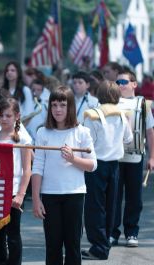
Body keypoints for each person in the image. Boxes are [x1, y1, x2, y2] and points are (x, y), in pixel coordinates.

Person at [31, 86, 97, 265]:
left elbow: (92, 165)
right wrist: (36, 198)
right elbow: (37, 167)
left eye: (62, 105)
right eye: (54, 105)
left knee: (73, 244)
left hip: (74, 194)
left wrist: (73, 158)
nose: (58, 109)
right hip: (50, 195)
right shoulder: (42, 132)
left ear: (70, 107)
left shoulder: (82, 131)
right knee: (53, 245)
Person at [81, 81, 133, 260]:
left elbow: (87, 143)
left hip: (97, 164)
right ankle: (105, 243)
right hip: (114, 165)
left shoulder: (92, 114)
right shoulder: (122, 115)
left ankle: (98, 246)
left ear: (99, 94)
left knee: (94, 207)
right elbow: (128, 139)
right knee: (111, 206)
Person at [111, 69, 154, 247]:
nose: (120, 85)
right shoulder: (111, 103)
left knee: (134, 198)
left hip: (135, 157)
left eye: (124, 82)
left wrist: (152, 157)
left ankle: (131, 232)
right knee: (113, 197)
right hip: (115, 157)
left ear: (134, 84)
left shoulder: (143, 104)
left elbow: (150, 132)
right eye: (118, 82)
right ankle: (112, 232)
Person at [0, 98, 32, 265]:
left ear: (17, 116)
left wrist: (21, 195)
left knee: (13, 234)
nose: (4, 119)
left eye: (8, 115)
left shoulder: (22, 139)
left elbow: (27, 170)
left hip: (14, 191)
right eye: (1, 115)